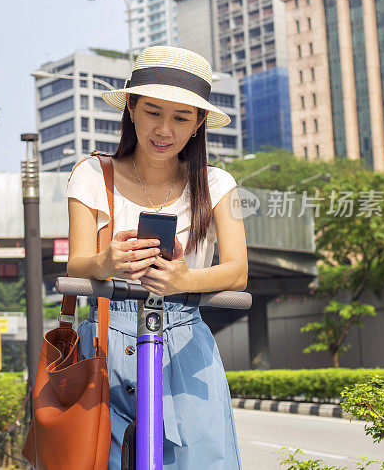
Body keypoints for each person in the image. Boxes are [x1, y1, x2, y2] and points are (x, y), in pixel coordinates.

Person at [65, 46, 247, 469]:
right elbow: (77, 264)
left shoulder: (218, 184)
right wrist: (106, 263)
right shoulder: (92, 174)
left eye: (181, 117)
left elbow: (238, 271)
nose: (164, 129)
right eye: (153, 111)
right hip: (104, 344)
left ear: (199, 122)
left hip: (186, 346)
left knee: (201, 461)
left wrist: (184, 280)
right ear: (130, 107)